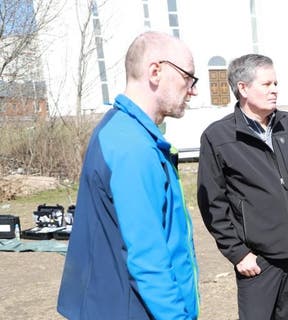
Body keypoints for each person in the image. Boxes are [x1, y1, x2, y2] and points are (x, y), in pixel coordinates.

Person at [57, 31, 200, 319]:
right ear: (155, 72)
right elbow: (148, 258)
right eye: (188, 77)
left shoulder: (123, 131)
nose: (193, 89)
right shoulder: (131, 146)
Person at [197, 53, 288, 320]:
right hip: (257, 262)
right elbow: (212, 203)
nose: (275, 90)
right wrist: (237, 253)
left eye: (276, 83)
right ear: (243, 88)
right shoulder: (218, 137)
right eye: (267, 84)